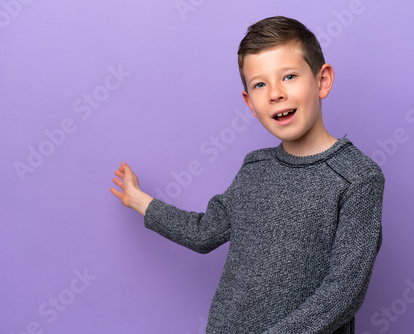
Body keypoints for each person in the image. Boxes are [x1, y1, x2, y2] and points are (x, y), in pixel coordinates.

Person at [111, 16, 385, 334]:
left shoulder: (357, 178)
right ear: (250, 103)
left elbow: (342, 294)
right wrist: (137, 199)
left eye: (290, 76)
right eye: (260, 84)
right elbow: (205, 232)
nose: (275, 93)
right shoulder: (255, 169)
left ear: (321, 80)